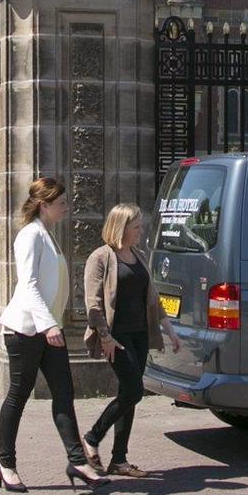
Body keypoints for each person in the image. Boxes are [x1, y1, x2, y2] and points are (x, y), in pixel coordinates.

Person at [0, 177, 106, 494]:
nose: (66, 208)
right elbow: (27, 285)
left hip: (46, 329)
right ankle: (6, 464)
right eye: (61, 203)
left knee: (64, 392)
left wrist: (50, 324)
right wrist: (48, 325)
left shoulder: (48, 235)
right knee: (18, 395)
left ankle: (78, 461)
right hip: (26, 330)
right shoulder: (30, 235)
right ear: (44, 205)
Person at [81, 203, 183, 478]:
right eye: (136, 227)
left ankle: (119, 460)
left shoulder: (137, 255)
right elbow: (94, 301)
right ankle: (92, 436)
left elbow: (152, 299)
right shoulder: (101, 257)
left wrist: (169, 329)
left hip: (139, 335)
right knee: (134, 390)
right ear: (121, 227)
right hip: (117, 337)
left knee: (128, 395)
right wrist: (105, 337)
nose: (141, 231)